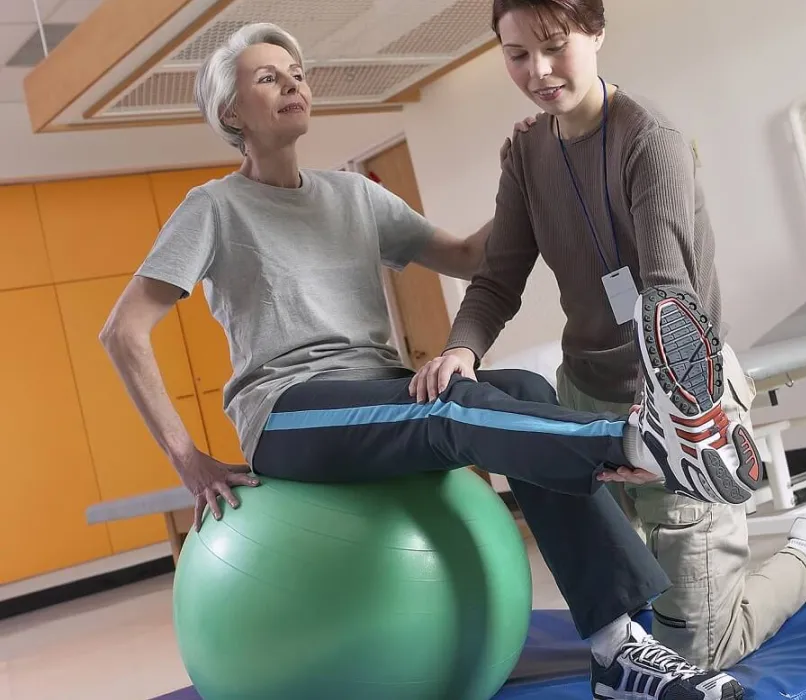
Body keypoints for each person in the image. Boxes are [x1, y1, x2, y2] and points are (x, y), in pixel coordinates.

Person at [99, 21, 756, 700]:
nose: (293, 83)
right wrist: (186, 457)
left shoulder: (352, 195)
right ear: (231, 112)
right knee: (451, 407)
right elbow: (123, 333)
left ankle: (616, 650)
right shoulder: (213, 209)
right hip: (289, 411)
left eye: (297, 72)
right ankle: (641, 443)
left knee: (524, 385)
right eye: (269, 77)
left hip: (377, 389)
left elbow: (470, 258)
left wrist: (526, 173)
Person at [410, 0, 806, 676]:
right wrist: (462, 348)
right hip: (585, 400)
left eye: (554, 46)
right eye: (517, 54)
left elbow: (671, 301)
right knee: (629, 631)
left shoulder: (648, 139)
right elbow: (495, 282)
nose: (538, 71)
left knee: (698, 651)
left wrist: (656, 424)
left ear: (597, 33)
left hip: (683, 406)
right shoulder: (525, 154)